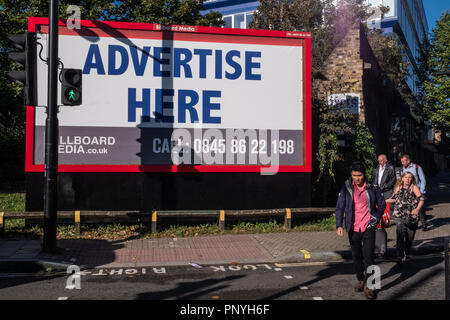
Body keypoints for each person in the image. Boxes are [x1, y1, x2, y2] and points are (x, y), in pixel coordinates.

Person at [335, 161, 386, 300]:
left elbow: (382, 204)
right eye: (354, 175)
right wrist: (339, 225)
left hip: (368, 226)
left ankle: (370, 286)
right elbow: (340, 207)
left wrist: (376, 217)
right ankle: (361, 280)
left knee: (369, 256)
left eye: (359, 175)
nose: (357, 178)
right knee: (356, 256)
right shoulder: (346, 188)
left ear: (364, 174)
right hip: (353, 227)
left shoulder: (372, 187)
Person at [386, 172, 425, 263]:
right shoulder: (398, 187)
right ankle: (399, 255)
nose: (408, 179)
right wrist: (384, 201)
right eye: (406, 177)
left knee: (409, 236)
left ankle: (407, 253)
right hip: (399, 214)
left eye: (410, 177)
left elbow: (422, 199)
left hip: (411, 215)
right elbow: (394, 198)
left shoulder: (414, 187)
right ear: (402, 178)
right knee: (400, 234)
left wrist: (417, 209)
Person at [400, 154, 429, 230]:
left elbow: (422, 179)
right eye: (401, 162)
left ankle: (424, 224)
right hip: (408, 192)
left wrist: (422, 191)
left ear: (408, 161)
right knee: (409, 208)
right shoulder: (402, 169)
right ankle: (412, 224)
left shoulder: (417, 167)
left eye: (403, 161)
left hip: (417, 191)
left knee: (420, 209)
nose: (402, 163)